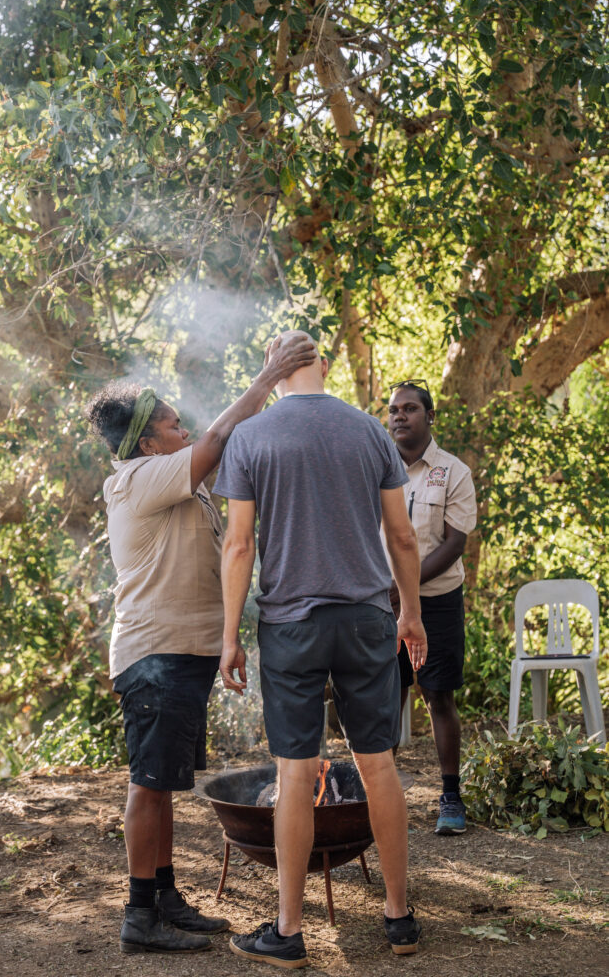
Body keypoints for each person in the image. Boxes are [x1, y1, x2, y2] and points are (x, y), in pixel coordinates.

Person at [84, 335, 316, 956]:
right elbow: (217, 439)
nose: (181, 427)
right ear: (145, 441)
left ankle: (164, 898)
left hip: (181, 656)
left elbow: (228, 458)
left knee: (164, 784)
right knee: (148, 783)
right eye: (169, 422)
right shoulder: (137, 479)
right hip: (153, 655)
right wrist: (268, 375)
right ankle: (139, 916)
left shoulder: (179, 487)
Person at [213, 332, 428, 967]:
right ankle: (399, 918)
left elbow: (239, 546)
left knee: (295, 772)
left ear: (273, 372)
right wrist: (410, 614)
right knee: (379, 765)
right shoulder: (370, 432)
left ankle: (288, 931)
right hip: (366, 617)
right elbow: (402, 535)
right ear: (324, 367)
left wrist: (229, 635)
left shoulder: (252, 437)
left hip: (290, 625)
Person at [386, 380, 477, 835]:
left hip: (437, 601)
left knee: (438, 695)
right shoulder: (375, 468)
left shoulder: (453, 471)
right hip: (380, 604)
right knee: (386, 697)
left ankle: (450, 797)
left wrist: (403, 587)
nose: (399, 416)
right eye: (393, 410)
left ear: (429, 416)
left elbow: (454, 542)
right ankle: (380, 796)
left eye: (409, 409)